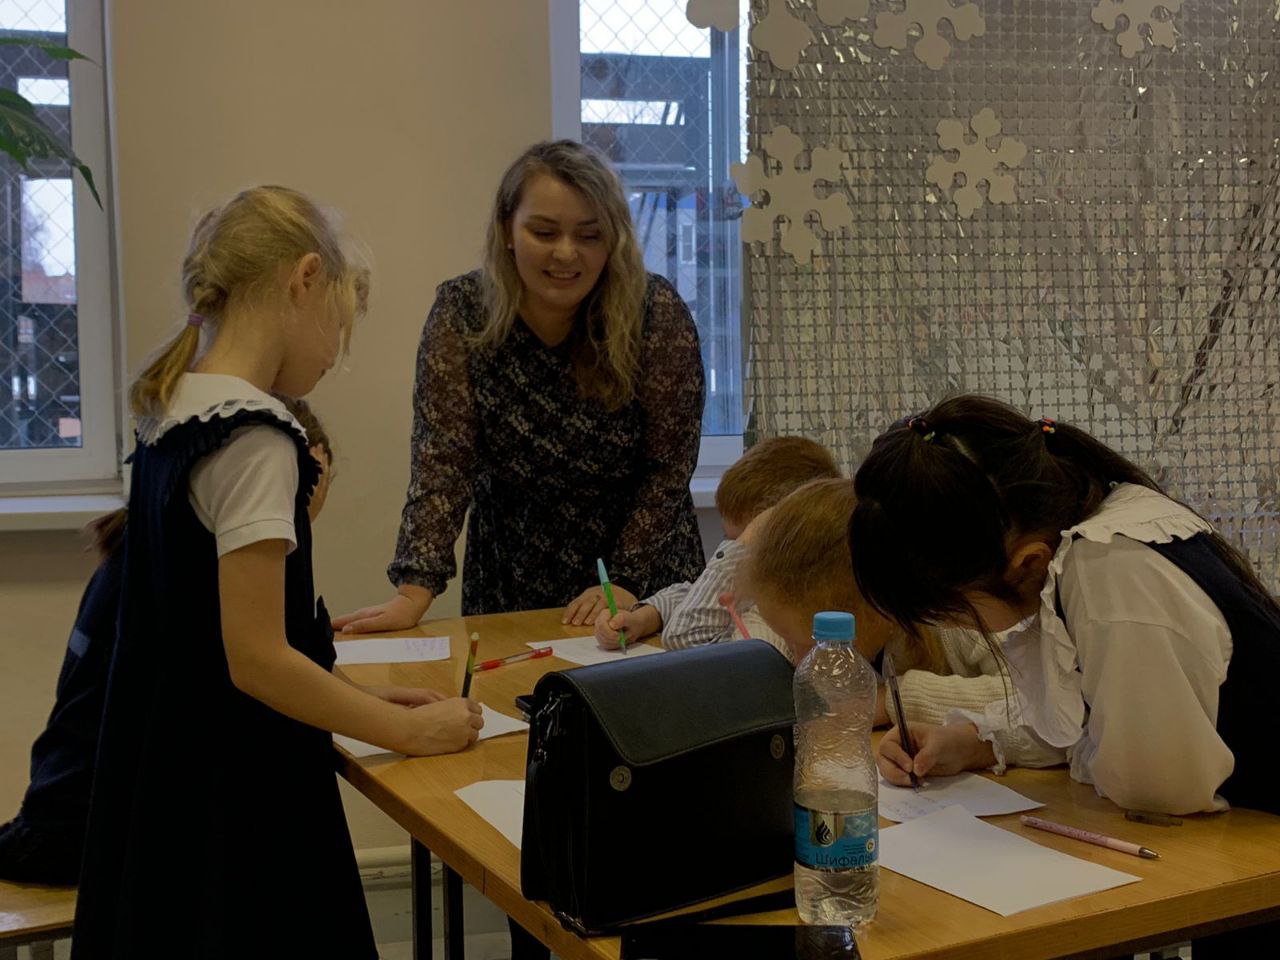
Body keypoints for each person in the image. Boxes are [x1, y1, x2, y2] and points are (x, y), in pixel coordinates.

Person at [72, 186, 482, 958]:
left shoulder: (170, 412)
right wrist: (404, 729)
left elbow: (206, 630)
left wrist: (357, 695)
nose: (333, 356)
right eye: (340, 326)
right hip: (240, 799)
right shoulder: (258, 438)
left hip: (165, 776)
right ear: (305, 279)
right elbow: (256, 658)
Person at [334, 140, 705, 636]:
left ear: (612, 240)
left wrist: (623, 579)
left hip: (641, 580)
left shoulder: (655, 312)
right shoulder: (462, 311)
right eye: (544, 232)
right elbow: (443, 461)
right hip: (509, 573)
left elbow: (669, 467)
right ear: (507, 229)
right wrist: (413, 590)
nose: (566, 253)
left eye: (589, 235)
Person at [848, 394, 1279, 820]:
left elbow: (1154, 788)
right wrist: (975, 742)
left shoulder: (1111, 567)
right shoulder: (1097, 534)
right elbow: (1085, 719)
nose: (964, 629)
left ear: (1027, 562)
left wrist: (1070, 751)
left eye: (955, 615)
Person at [0, 398, 334, 887]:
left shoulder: (139, 549)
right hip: (84, 836)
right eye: (304, 489)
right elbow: (265, 684)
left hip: (58, 811)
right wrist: (403, 725)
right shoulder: (195, 576)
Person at [742, 477, 1066, 772]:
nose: (800, 660)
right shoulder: (794, 604)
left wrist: (887, 703)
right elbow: (757, 629)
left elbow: (1041, 701)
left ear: (871, 608)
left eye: (807, 644)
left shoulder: (958, 615)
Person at [594, 436, 839, 651]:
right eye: (730, 541)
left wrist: (738, 550)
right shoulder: (763, 587)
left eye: (741, 541)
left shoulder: (780, 620)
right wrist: (645, 618)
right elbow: (690, 593)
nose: (733, 547)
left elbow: (683, 637)